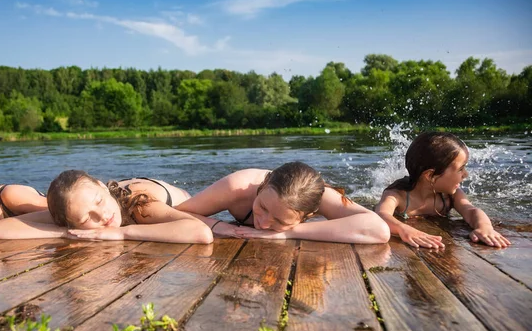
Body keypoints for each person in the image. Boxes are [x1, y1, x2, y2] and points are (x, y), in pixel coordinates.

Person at [175, 161, 390, 243]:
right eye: (262, 207)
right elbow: (176, 213)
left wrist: (288, 233)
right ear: (263, 186)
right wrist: (219, 226)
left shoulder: (321, 196)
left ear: (310, 215)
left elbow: (379, 230)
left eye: (280, 220)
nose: (264, 224)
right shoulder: (236, 187)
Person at [0, 170, 212, 244]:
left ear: (103, 187)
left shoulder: (139, 206)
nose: (102, 215)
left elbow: (201, 232)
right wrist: (72, 232)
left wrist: (121, 233)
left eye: (99, 202)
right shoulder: (76, 209)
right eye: (86, 218)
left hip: (179, 198)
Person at [375, 132, 511, 249]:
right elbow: (381, 215)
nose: (466, 174)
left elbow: (471, 210)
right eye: (460, 169)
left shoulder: (451, 195)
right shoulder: (397, 195)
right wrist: (403, 229)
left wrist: (485, 227)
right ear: (430, 176)